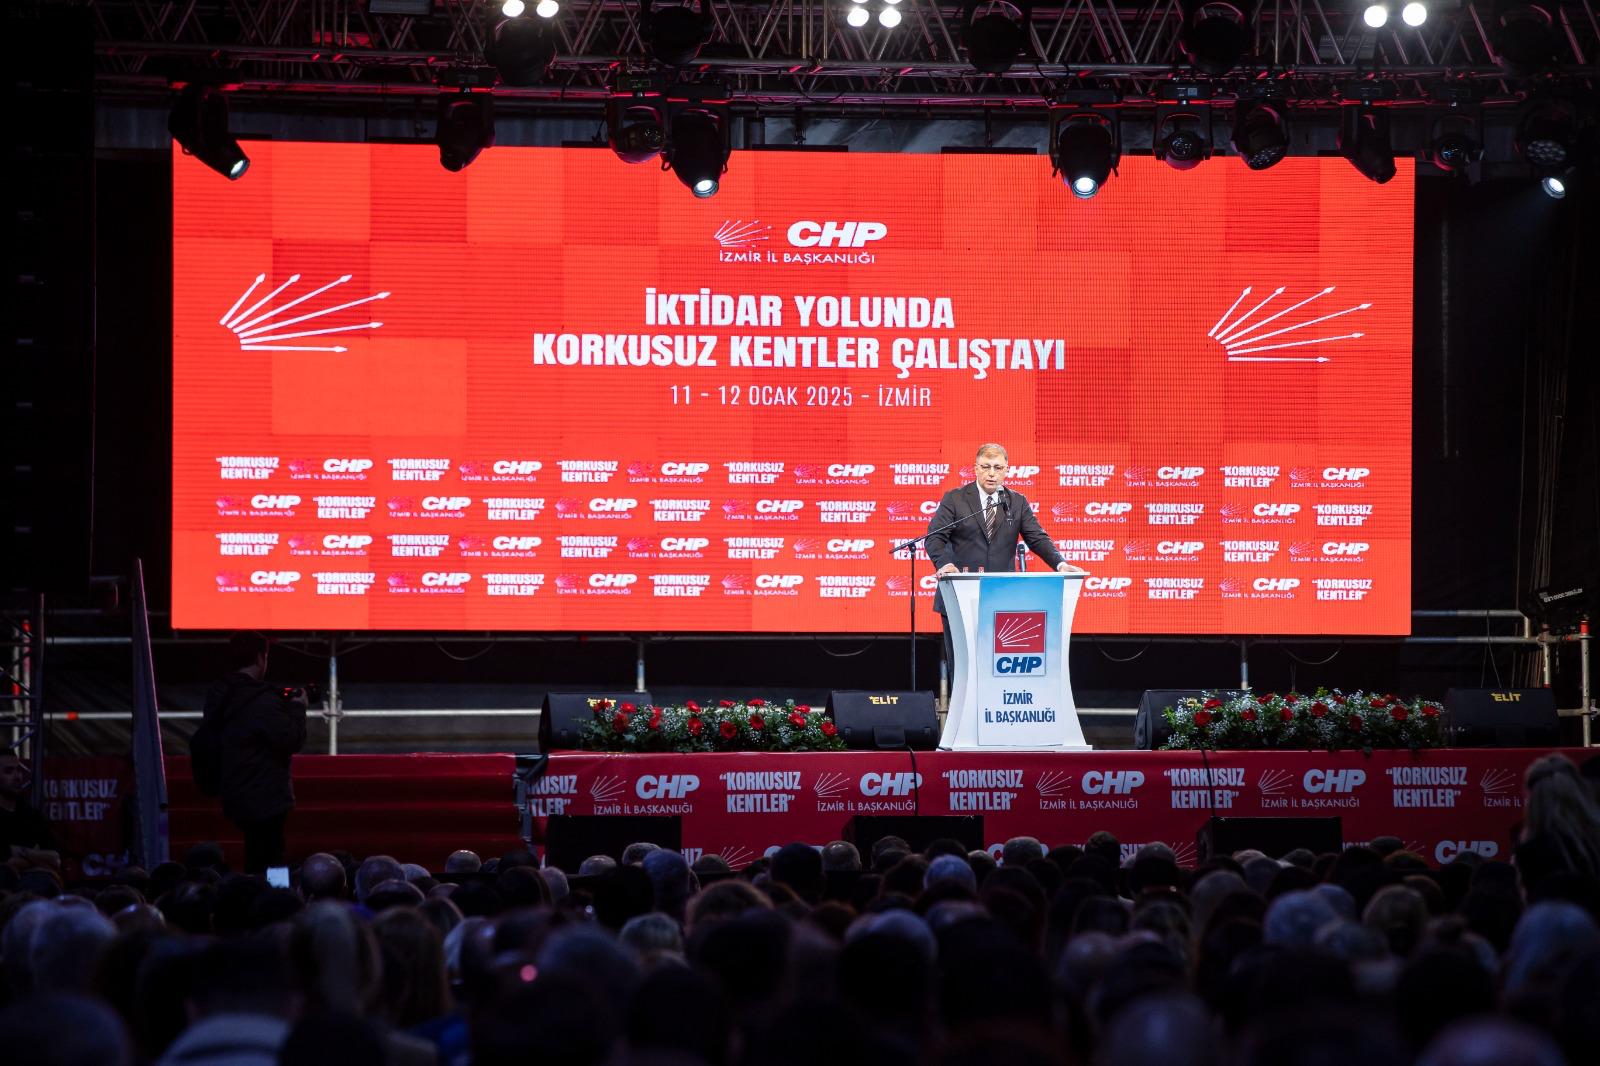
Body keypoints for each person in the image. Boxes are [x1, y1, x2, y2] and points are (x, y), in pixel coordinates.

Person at [925, 443, 1076, 667]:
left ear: (1006, 470)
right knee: (963, 666)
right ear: (976, 468)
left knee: (997, 665)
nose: (991, 473)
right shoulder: (955, 499)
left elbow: (1037, 538)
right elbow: (934, 538)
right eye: (986, 467)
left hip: (1001, 597)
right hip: (959, 595)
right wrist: (944, 564)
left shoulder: (1017, 502)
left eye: (997, 467)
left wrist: (1060, 563)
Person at [203, 632, 307, 874]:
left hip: (233, 789)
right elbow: (292, 739)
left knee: (256, 853)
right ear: (261, 658)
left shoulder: (219, 693)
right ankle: (276, 895)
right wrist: (297, 709)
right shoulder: (261, 700)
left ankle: (252, 890)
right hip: (264, 795)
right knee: (273, 858)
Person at [0, 750, 59, 861]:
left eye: (19, 770)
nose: (18, 776)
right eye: (9, 771)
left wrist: (19, 853)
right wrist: (36, 856)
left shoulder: (31, 815)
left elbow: (55, 857)